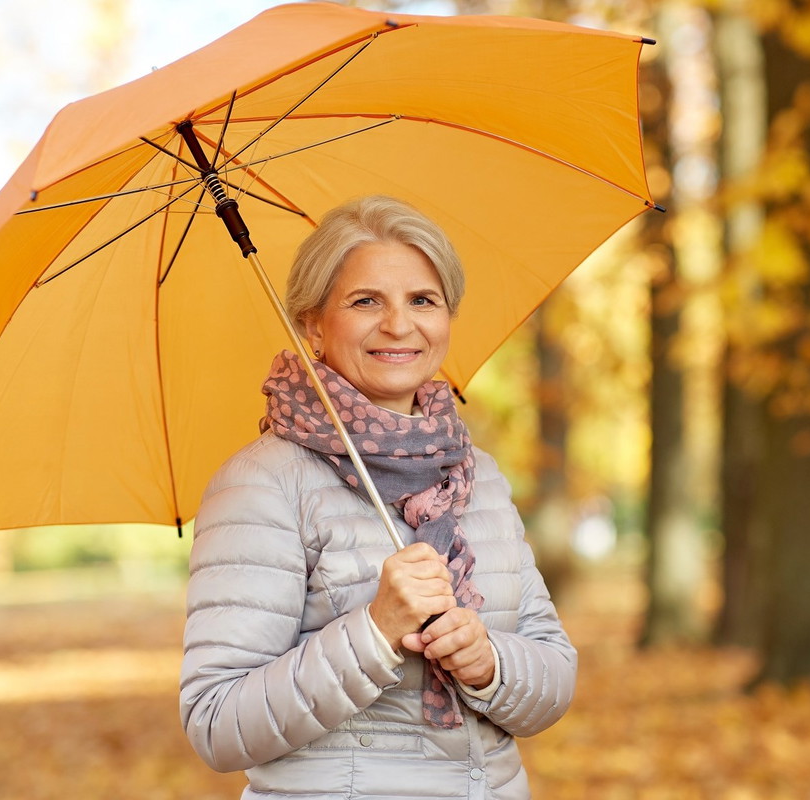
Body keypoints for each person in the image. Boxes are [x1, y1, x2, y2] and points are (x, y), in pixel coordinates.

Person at [180, 195, 577, 799]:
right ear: (312, 323)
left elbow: (554, 673)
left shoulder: (478, 474)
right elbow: (216, 724)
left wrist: (490, 663)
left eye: (423, 300)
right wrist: (376, 630)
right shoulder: (263, 484)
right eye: (365, 301)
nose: (399, 324)